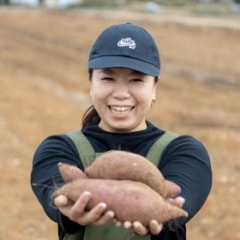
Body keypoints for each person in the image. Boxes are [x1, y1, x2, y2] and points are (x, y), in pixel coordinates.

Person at [31, 23, 212, 240]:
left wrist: (155, 211)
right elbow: (55, 196)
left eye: (136, 80)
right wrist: (67, 207)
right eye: (108, 79)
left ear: (154, 88)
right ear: (91, 84)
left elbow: (179, 205)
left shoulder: (184, 151)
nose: (121, 93)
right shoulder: (59, 148)